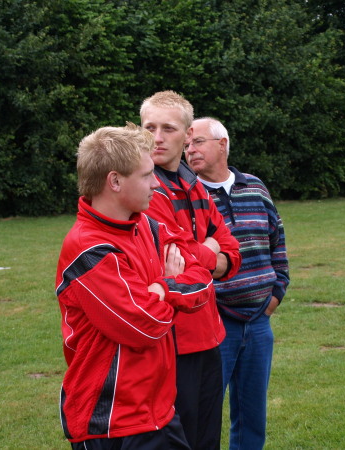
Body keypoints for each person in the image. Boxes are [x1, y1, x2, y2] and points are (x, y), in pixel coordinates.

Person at [55, 123, 214, 449]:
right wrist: (170, 284)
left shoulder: (149, 226)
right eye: (146, 175)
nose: (156, 183)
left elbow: (203, 280)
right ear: (114, 181)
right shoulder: (89, 248)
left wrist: (160, 289)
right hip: (112, 423)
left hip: (160, 412)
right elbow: (145, 325)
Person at [140, 91, 242, 449]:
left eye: (168, 128)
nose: (157, 137)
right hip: (169, 340)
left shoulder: (195, 185)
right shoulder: (145, 188)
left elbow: (232, 254)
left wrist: (206, 255)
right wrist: (210, 249)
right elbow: (176, 254)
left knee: (207, 439)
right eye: (149, 127)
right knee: (175, 440)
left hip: (209, 335)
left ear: (187, 136)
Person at [186, 117, 290, 450]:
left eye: (198, 142)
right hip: (214, 323)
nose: (190, 150)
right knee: (203, 417)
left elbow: (277, 240)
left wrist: (276, 293)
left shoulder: (255, 187)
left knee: (252, 418)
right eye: (187, 145)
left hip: (259, 321)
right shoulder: (188, 195)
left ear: (223, 144)